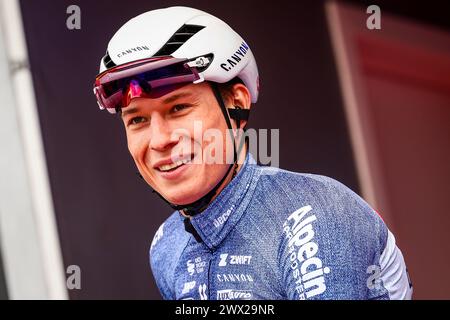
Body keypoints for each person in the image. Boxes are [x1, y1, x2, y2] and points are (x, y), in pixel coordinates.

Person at [93, 6, 413, 300]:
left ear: (237, 104)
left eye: (178, 108)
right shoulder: (167, 246)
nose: (160, 139)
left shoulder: (313, 215)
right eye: (137, 119)